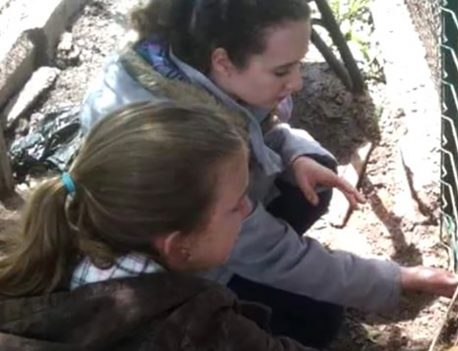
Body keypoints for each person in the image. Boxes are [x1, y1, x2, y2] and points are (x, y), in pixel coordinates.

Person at [79, 0, 458, 347]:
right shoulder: (173, 144)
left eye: (299, 64)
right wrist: (395, 279)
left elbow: (257, 128)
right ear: (224, 61)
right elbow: (265, 247)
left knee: (313, 175)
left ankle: (249, 274)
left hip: (199, 231)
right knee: (318, 319)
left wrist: (294, 156)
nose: (297, 83)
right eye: (282, 70)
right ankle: (228, 287)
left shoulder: (190, 59)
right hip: (178, 266)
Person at [0, 101, 317, 350]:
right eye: (236, 204)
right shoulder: (199, 327)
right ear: (179, 245)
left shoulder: (47, 243)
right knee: (320, 320)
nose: (248, 206)